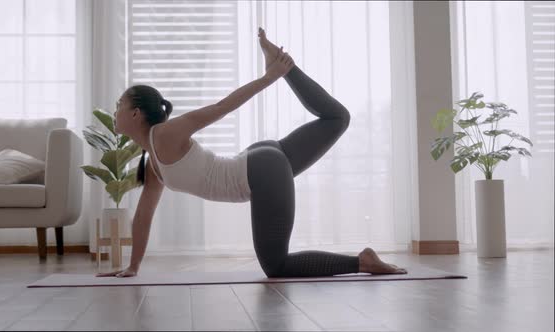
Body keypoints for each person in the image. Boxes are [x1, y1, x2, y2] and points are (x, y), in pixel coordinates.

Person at [97, 27, 407, 278]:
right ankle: (287, 68)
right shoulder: (153, 160)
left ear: (136, 114)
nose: (114, 111)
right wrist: (133, 266)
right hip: (261, 162)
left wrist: (266, 79)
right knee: (337, 119)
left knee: (276, 266)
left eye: (119, 106)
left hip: (259, 171)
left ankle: (361, 262)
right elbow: (143, 217)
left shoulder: (164, 135)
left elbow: (221, 108)